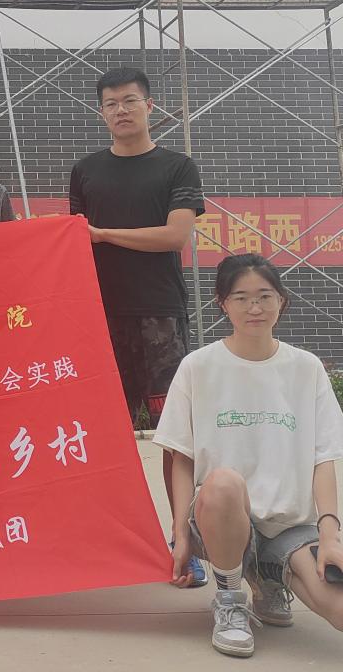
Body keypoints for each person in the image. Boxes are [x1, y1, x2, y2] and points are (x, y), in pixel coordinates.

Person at [156, 255, 343, 658]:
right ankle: (229, 599)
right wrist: (180, 534)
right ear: (223, 304)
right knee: (224, 483)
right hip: (219, 518)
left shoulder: (306, 368)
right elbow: (181, 456)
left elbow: (323, 458)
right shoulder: (198, 366)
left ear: (282, 300)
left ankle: (268, 581)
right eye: (241, 298)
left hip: (289, 526)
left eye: (264, 296)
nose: (254, 308)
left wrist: (330, 536)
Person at [69, 66, 207, 585]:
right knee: (102, 435)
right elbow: (74, 241)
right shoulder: (86, 170)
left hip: (159, 316)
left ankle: (184, 542)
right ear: (101, 112)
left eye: (130, 101)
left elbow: (175, 236)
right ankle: (109, 544)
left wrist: (104, 234)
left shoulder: (177, 166)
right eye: (110, 103)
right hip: (99, 317)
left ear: (150, 107)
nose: (121, 110)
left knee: (175, 437)